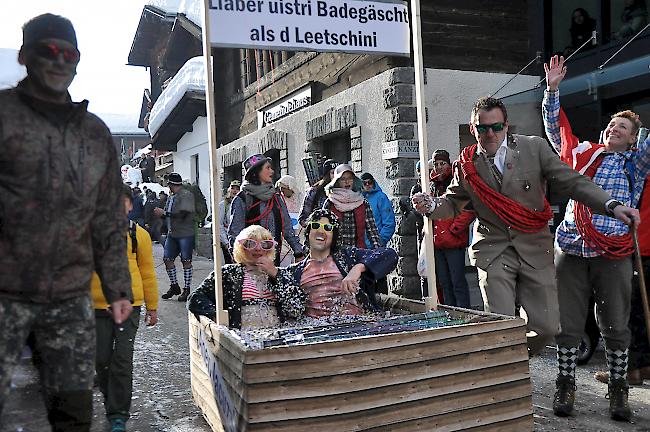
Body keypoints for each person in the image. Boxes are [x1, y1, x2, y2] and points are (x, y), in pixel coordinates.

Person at [412, 96, 639, 358]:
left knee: (546, 327)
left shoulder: (534, 149)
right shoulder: (466, 165)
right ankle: (505, 372)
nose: (490, 134)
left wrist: (611, 205)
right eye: (482, 128)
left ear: (506, 126)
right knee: (502, 324)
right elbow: (452, 203)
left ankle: (516, 355)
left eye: (496, 127)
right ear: (473, 129)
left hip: (533, 246)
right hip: (494, 249)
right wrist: (430, 206)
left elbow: (574, 182)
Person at [0, 14, 132, 431]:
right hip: (4, 295)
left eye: (68, 53)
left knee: (74, 412)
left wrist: (117, 288)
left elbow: (108, 217)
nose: (59, 62)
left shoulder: (94, 133)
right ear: (25, 56)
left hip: (70, 297)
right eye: (48, 51)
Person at [543, 55, 649, 421]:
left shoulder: (634, 163)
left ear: (634, 139)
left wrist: (641, 131)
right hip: (572, 248)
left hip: (615, 255)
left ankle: (618, 390)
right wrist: (553, 89)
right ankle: (565, 383)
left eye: (622, 127)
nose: (613, 129)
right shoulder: (583, 154)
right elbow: (556, 129)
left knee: (616, 326)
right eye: (612, 124)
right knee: (568, 325)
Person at [92, 184, 158, 432]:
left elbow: (148, 273)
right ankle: (112, 402)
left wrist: (152, 307)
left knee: (122, 359)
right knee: (102, 360)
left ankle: (118, 414)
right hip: (96, 306)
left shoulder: (137, 234)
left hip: (130, 305)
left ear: (130, 205)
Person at [277, 209, 398, 317]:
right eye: (315, 225)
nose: (321, 231)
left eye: (328, 228)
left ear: (334, 235)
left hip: (357, 327)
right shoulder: (294, 272)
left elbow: (390, 255)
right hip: (317, 332)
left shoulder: (348, 257)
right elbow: (289, 310)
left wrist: (358, 269)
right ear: (308, 233)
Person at [188, 225, 306, 329]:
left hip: (276, 342)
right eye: (250, 243)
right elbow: (195, 298)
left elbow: (297, 309)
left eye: (265, 244)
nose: (258, 248)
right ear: (241, 247)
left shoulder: (282, 274)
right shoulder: (228, 273)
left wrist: (276, 274)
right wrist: (217, 316)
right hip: (242, 342)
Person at [594, 176, 650, 386]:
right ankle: (642, 365)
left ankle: (630, 369)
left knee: (625, 310)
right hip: (641, 243)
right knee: (639, 311)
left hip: (637, 244)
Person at [229, 154, 304, 265]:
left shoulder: (276, 198)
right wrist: (238, 260)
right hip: (250, 264)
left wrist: (298, 252)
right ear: (256, 172)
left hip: (274, 263)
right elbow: (235, 234)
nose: (272, 171)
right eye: (267, 168)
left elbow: (288, 229)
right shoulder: (243, 199)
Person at [429, 149, 475, 308]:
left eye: (442, 163)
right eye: (436, 164)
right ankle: (450, 314)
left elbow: (468, 210)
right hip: (438, 242)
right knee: (444, 283)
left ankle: (464, 312)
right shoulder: (432, 185)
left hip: (454, 242)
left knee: (458, 282)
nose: (439, 167)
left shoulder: (455, 182)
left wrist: (454, 230)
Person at [154, 172, 196, 302]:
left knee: (186, 261)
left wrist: (164, 213)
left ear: (172, 184)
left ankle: (187, 289)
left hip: (185, 233)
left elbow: (183, 214)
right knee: (167, 259)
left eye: (169, 185)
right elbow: (169, 215)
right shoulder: (172, 197)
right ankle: (174, 286)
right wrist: (161, 216)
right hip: (173, 233)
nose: (168, 187)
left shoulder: (186, 195)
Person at [323, 164, 383, 250]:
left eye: (350, 178)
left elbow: (372, 231)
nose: (347, 182)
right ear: (337, 182)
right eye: (343, 179)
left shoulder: (362, 202)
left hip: (358, 253)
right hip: (335, 254)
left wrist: (378, 252)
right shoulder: (330, 202)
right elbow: (323, 230)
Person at [299, 159, 338, 227]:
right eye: (333, 173)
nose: (336, 176)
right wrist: (316, 226)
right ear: (327, 175)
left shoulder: (345, 191)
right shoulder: (314, 191)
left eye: (338, 173)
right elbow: (303, 218)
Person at [361, 172, 396, 247]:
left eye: (369, 182)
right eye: (364, 183)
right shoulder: (358, 198)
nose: (367, 185)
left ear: (373, 182)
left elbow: (389, 221)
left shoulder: (381, 197)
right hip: (361, 246)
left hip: (376, 245)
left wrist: (381, 240)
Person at [275, 175, 303, 266]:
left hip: (299, 234)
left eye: (284, 188)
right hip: (285, 237)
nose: (282, 191)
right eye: (281, 189)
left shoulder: (301, 199)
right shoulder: (280, 201)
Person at [219, 180, 241, 264]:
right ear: (229, 190)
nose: (235, 191)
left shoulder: (243, 203)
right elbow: (219, 225)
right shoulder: (223, 205)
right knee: (229, 264)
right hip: (227, 239)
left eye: (237, 189)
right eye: (233, 188)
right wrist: (226, 242)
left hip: (240, 240)